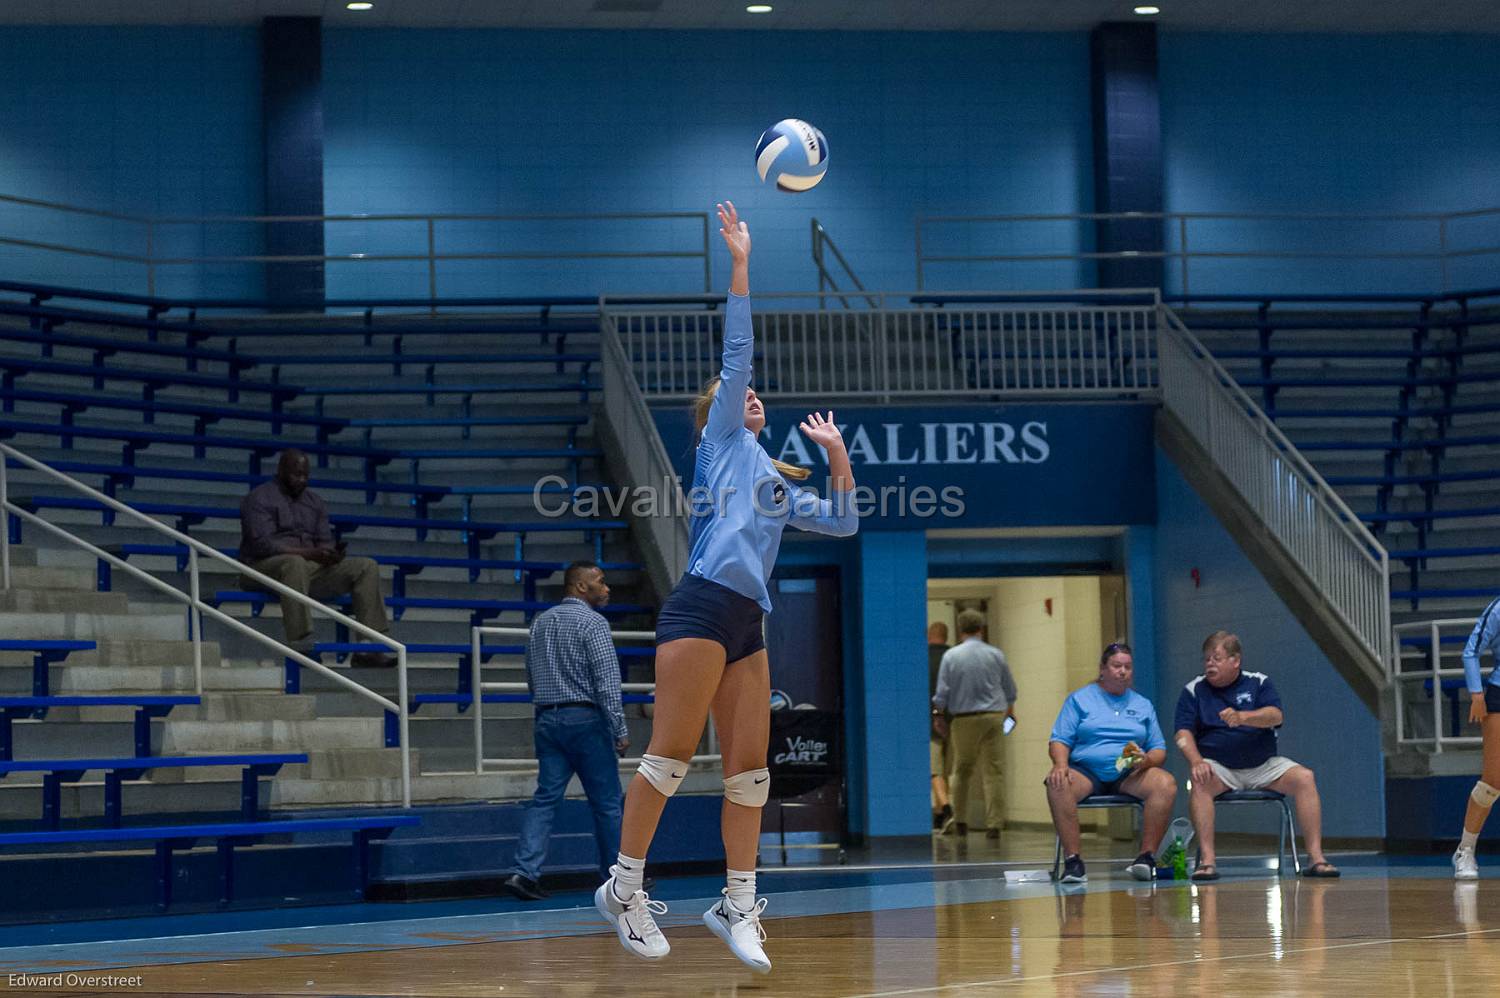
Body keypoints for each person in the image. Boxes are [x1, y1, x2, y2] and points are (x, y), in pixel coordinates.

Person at [595, 201, 858, 974]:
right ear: (719, 411)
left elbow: (843, 524)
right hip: (702, 604)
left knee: (751, 772)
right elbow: (737, 348)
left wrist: (838, 453)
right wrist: (741, 261)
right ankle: (625, 887)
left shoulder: (775, 483)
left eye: (751, 393)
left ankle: (735, 903)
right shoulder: (719, 448)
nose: (750, 394)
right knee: (670, 759)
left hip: (748, 619)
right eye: (736, 392)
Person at [503, 561, 629, 902]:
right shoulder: (594, 623)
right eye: (601, 582)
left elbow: (531, 673)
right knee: (607, 804)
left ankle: (524, 872)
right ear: (581, 587)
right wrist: (619, 728)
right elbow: (606, 682)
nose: (607, 589)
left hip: (547, 718)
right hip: (586, 720)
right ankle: (619, 879)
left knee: (545, 799)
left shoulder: (541, 623)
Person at [1173, 630, 1339, 880]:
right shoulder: (1193, 690)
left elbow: (1276, 715)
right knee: (1199, 779)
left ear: (1235, 661)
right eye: (1206, 659)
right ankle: (1207, 861)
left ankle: (1316, 858)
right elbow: (1182, 733)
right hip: (1219, 767)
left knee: (1305, 777)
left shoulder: (1258, 683)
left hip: (1263, 766)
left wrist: (1243, 718)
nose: (1210, 664)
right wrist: (1196, 761)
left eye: (1216, 658)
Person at [238, 449, 392, 667]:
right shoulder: (258, 498)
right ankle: (302, 643)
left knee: (366, 566)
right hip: (260, 569)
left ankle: (369, 647)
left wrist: (329, 554)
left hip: (307, 569)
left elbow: (324, 540)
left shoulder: (315, 502)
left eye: (305, 475)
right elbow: (262, 545)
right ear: (281, 470)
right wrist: (309, 554)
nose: (302, 480)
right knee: (294, 562)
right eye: (296, 474)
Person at [1046, 642, 1176, 884]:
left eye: (1127, 667)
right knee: (1057, 783)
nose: (1122, 672)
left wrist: (1146, 760)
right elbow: (1059, 740)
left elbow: (1159, 749)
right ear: (1103, 669)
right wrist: (1060, 764)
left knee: (1166, 784)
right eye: (1116, 666)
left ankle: (1146, 858)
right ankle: (1074, 862)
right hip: (1086, 771)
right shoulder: (1080, 699)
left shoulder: (1142, 704)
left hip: (1128, 771)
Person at [932, 611, 1017, 839]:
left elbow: (942, 693)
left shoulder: (951, 656)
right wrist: (1009, 715)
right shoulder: (996, 654)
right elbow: (1010, 690)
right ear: (982, 628)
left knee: (961, 770)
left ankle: (960, 821)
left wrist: (938, 715)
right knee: (994, 772)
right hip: (993, 717)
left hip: (964, 719)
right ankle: (995, 825)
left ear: (960, 630)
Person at [1452, 596, 1500, 880]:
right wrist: (1476, 693)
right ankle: (1465, 850)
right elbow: (1470, 651)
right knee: (1492, 782)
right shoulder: (1498, 609)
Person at [928, 621, 953, 831]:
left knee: (934, 769)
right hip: (958, 719)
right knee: (947, 770)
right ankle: (939, 816)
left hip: (931, 720)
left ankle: (946, 808)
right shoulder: (954, 657)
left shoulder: (921, 658)